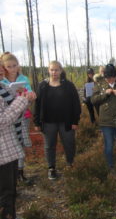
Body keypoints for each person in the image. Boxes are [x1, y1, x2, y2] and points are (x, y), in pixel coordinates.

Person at [34, 61, 81, 180]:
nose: (54, 72)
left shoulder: (68, 85)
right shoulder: (43, 86)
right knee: (49, 145)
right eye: (52, 70)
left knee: (69, 144)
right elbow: (37, 104)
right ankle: (51, 168)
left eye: (56, 70)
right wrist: (36, 122)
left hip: (67, 121)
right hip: (48, 122)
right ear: (48, 70)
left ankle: (70, 163)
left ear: (61, 71)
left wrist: (75, 121)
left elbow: (76, 104)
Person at [0, 62, 36, 219]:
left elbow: (15, 115)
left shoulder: (3, 87)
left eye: (2, 66)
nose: (2, 70)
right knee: (5, 193)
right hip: (2, 151)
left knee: (10, 189)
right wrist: (21, 102)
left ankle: (10, 214)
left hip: (10, 146)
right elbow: (2, 120)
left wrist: (26, 99)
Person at [0, 52, 33, 182]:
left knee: (20, 143)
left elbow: (28, 93)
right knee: (10, 147)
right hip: (7, 122)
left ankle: (20, 172)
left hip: (22, 116)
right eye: (9, 66)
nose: (12, 69)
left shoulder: (23, 79)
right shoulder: (3, 82)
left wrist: (27, 95)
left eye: (15, 65)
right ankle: (11, 176)